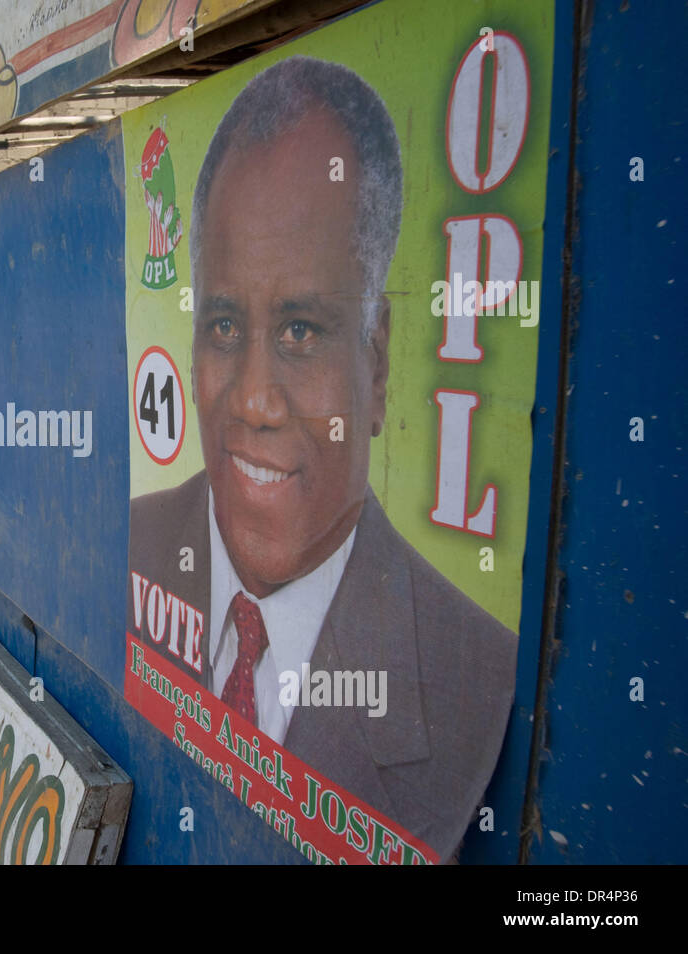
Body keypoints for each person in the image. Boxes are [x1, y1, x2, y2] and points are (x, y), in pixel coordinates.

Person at [126, 56, 516, 862]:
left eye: (301, 331)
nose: (256, 401)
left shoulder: (471, 676)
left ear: (375, 367)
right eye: (225, 327)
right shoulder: (134, 543)